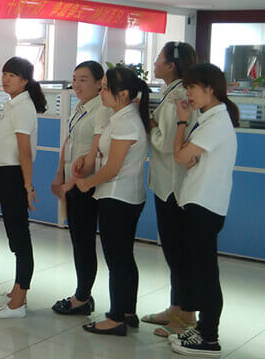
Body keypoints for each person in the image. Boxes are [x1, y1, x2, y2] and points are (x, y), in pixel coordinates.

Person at [71, 65, 151, 336]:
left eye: (106, 88)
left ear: (124, 94)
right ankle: (127, 311)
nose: (102, 92)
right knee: (124, 257)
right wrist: (88, 161)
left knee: (117, 260)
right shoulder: (120, 117)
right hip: (121, 196)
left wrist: (87, 182)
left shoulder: (126, 121)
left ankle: (116, 317)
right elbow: (105, 155)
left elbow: (113, 167)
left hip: (118, 198)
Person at [167, 63, 240, 357]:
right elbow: (187, 157)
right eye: (187, 87)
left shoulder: (216, 122)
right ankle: (203, 330)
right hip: (199, 202)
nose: (188, 93)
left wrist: (181, 122)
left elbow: (180, 156)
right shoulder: (210, 118)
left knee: (206, 274)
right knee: (201, 270)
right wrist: (187, 150)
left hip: (205, 205)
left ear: (210, 88)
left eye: (193, 87)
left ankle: (210, 338)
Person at [144, 42, 200, 337]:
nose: (154, 63)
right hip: (166, 182)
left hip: (174, 186)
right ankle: (176, 307)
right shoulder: (172, 92)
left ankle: (187, 315)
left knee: (179, 252)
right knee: (172, 249)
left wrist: (149, 124)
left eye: (158, 59)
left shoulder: (177, 96)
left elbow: (165, 143)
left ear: (170, 66)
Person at [49, 61, 112, 316]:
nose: (76, 85)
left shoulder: (102, 110)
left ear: (99, 83)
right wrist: (59, 176)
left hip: (86, 184)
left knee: (84, 242)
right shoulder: (80, 108)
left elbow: (93, 154)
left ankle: (83, 296)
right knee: (77, 240)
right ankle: (81, 293)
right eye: (75, 79)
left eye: (83, 80)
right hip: (72, 181)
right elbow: (70, 142)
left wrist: (70, 183)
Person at [0, 56, 47, 319]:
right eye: (4, 74)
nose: (5, 79)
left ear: (24, 80)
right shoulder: (13, 104)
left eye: (12, 75)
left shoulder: (23, 107)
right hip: (4, 174)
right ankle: (15, 291)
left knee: (20, 238)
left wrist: (27, 186)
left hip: (13, 175)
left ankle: (19, 302)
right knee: (14, 235)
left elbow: (24, 151)